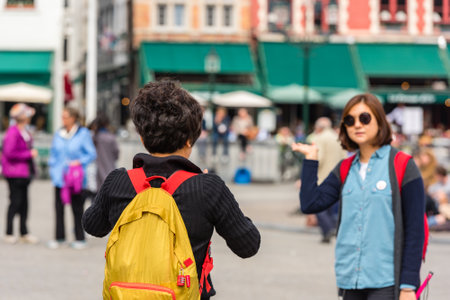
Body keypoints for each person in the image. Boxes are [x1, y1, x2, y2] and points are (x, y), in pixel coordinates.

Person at [82, 80, 260, 299]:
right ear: (189, 140)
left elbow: (92, 226)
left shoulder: (117, 181)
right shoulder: (207, 188)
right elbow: (248, 245)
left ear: (142, 137)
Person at [291, 94, 424, 300]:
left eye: (365, 118)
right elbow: (310, 204)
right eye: (350, 120)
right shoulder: (345, 167)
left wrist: (408, 285)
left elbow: (415, 230)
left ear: (380, 121)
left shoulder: (403, 165)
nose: (357, 125)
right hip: (350, 278)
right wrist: (311, 160)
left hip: (387, 281)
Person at [48, 106, 96, 249]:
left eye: (65, 116)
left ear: (73, 118)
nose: (63, 119)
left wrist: (79, 162)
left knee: (77, 208)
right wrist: (53, 168)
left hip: (75, 178)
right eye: (62, 116)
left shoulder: (83, 134)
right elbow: (53, 154)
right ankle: (59, 237)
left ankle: (79, 238)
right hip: (59, 177)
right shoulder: (59, 133)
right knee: (58, 208)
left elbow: (92, 153)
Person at [1, 103, 39, 244]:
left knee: (24, 203)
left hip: (24, 173)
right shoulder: (12, 132)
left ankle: (24, 232)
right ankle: (9, 232)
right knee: (15, 202)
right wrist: (28, 154)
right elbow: (9, 153)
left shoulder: (24, 131)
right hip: (14, 173)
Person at [309, 117, 347, 243]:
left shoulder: (320, 138)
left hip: (323, 177)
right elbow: (344, 157)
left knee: (319, 207)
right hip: (337, 176)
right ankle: (332, 228)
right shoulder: (337, 137)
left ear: (319, 127)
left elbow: (319, 158)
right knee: (332, 207)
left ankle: (329, 228)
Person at [90, 113, 119, 188]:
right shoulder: (111, 137)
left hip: (98, 172)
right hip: (110, 171)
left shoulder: (94, 137)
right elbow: (116, 154)